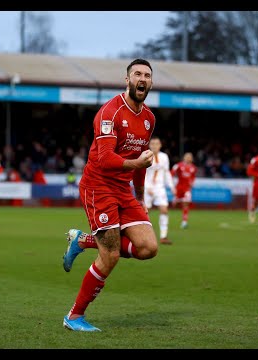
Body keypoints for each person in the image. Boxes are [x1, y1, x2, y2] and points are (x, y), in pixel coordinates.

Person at [61, 58, 157, 332]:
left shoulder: (149, 119)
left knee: (148, 248)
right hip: (98, 186)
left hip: (123, 189)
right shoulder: (109, 113)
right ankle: (74, 316)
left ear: (150, 82)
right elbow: (104, 159)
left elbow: (142, 159)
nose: (142, 78)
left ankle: (83, 240)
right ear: (127, 80)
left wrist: (140, 198)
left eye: (147, 75)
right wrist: (137, 164)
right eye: (137, 74)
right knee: (111, 255)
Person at [144, 136, 175, 244]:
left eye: (157, 144)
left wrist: (171, 186)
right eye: (152, 144)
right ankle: (144, 235)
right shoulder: (145, 155)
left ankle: (163, 236)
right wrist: (146, 187)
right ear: (149, 145)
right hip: (147, 188)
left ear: (160, 145)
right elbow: (140, 173)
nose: (154, 146)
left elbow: (166, 172)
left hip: (159, 188)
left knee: (164, 210)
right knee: (145, 212)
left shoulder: (164, 157)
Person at [171, 152, 197, 229]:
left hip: (187, 189)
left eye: (190, 157)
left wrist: (192, 182)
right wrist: (171, 183)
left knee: (186, 203)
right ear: (184, 158)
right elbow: (171, 173)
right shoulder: (178, 165)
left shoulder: (193, 168)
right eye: (187, 157)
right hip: (179, 188)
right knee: (175, 204)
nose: (188, 158)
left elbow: (193, 177)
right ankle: (176, 201)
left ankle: (184, 222)